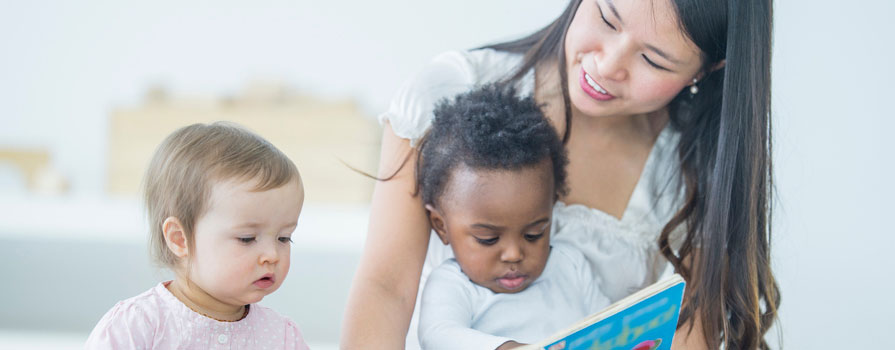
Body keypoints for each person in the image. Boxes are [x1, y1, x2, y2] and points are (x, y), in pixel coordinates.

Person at [341, 0, 780, 348]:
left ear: (705, 71)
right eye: (607, 18)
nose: (608, 65)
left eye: (654, 60)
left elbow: (689, 335)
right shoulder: (450, 91)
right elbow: (387, 288)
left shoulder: (696, 170)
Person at [414, 85, 610, 350]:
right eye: (488, 239)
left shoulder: (570, 266)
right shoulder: (454, 285)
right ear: (441, 226)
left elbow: (608, 326)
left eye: (534, 234)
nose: (514, 254)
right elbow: (438, 335)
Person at [85, 122, 310, 350]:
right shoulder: (137, 326)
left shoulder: (282, 337)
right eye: (247, 238)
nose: (272, 255)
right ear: (179, 239)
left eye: (284, 238)